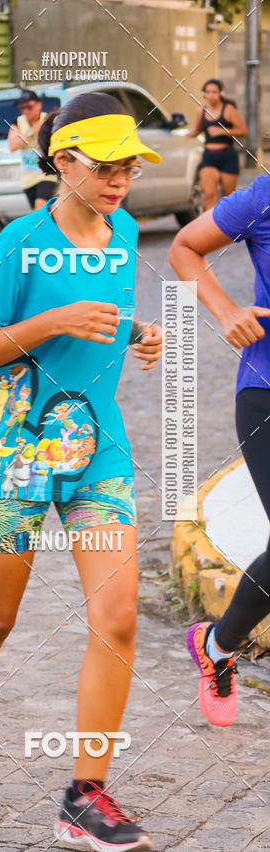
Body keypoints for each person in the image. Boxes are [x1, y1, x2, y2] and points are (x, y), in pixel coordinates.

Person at [0, 92, 163, 851]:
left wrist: (136, 330)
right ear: (62, 162)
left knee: (118, 617)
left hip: (98, 449)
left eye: (129, 166)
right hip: (11, 452)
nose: (121, 180)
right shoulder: (17, 245)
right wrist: (52, 321)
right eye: (105, 166)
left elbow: (97, 318)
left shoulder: (121, 233)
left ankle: (85, 796)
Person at [169, 176, 270, 727]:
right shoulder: (263, 197)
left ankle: (217, 644)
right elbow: (184, 246)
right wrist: (227, 309)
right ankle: (220, 645)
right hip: (266, 388)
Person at [187, 78, 247, 209]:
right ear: (203, 94)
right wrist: (188, 134)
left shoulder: (229, 109)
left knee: (228, 198)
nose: (211, 95)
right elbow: (198, 130)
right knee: (209, 195)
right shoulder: (201, 111)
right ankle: (211, 228)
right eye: (207, 92)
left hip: (227, 156)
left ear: (220, 93)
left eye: (214, 92)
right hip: (209, 157)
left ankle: (228, 228)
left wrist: (222, 131)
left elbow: (243, 131)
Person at [7, 89, 58, 210]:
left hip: (46, 174)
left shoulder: (48, 120)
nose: (25, 111)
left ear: (39, 104)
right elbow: (12, 146)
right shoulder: (18, 122)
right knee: (41, 212)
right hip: (28, 177)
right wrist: (31, 132)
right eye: (22, 108)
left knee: (40, 206)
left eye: (29, 107)